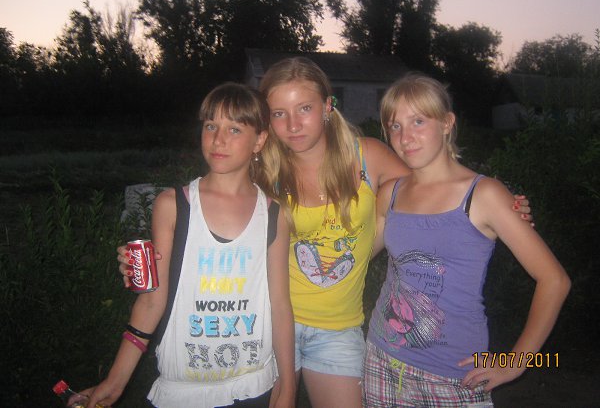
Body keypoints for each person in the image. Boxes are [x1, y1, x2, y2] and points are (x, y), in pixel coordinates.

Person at [117, 58, 533, 408]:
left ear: (328, 107)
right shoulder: (263, 171)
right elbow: (209, 214)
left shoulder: (368, 157)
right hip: (266, 324)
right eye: (279, 113)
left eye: (304, 108)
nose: (293, 125)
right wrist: (158, 258)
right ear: (265, 124)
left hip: (338, 328)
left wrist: (502, 209)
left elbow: (432, 191)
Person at [362, 73, 570, 408]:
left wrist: (515, 362)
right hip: (381, 361)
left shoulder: (484, 195)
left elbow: (554, 280)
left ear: (447, 123)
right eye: (395, 125)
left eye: (418, 121)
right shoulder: (390, 193)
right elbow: (356, 258)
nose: (405, 137)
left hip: (452, 376)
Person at [84, 83, 295, 408]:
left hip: (254, 384)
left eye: (234, 129)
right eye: (211, 126)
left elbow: (280, 305)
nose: (218, 139)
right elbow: (152, 302)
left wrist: (289, 387)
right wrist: (115, 380)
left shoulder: (273, 215)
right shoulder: (174, 206)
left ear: (259, 140)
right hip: (183, 389)